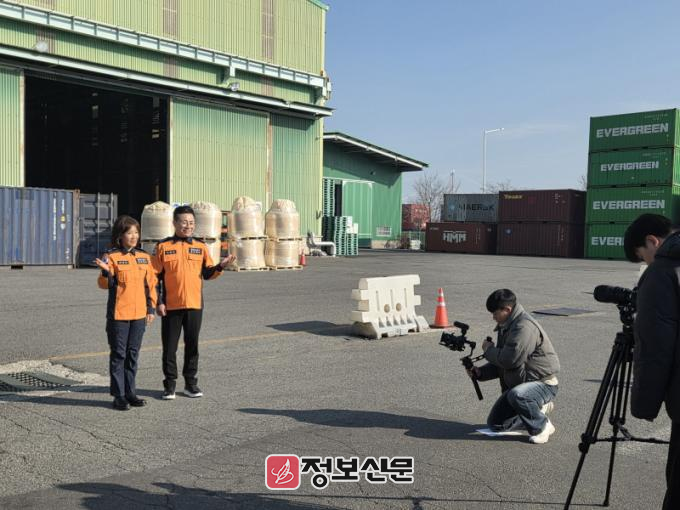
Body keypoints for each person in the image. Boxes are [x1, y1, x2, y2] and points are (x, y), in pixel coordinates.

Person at [624, 213, 680, 510]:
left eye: (642, 257)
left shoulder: (663, 271)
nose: (645, 264)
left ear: (652, 241)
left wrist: (644, 407)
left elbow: (656, 348)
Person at [152, 205, 235, 400]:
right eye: (184, 222)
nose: (188, 226)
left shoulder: (200, 246)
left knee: (192, 346)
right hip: (171, 306)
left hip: (194, 305)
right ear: (174, 223)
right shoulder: (163, 247)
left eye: (191, 222)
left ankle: (191, 384)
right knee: (169, 348)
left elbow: (207, 273)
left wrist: (220, 266)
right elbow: (154, 277)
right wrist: (158, 301)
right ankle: (169, 386)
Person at [468, 289, 560, 444]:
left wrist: (488, 350)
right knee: (496, 424)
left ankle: (542, 426)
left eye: (495, 313)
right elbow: (501, 363)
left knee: (518, 395)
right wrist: (480, 373)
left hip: (543, 384)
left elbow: (510, 360)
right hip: (521, 384)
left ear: (507, 309)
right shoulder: (506, 326)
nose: (493, 317)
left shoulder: (524, 327)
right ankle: (536, 411)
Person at [95, 215, 157, 411]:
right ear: (120, 236)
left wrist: (151, 308)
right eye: (129, 233)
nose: (134, 236)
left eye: (136, 232)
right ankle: (119, 395)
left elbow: (151, 285)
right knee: (119, 355)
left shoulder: (144, 257)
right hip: (119, 315)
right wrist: (106, 272)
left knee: (132, 354)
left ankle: (131, 393)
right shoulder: (111, 256)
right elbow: (104, 285)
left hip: (139, 315)